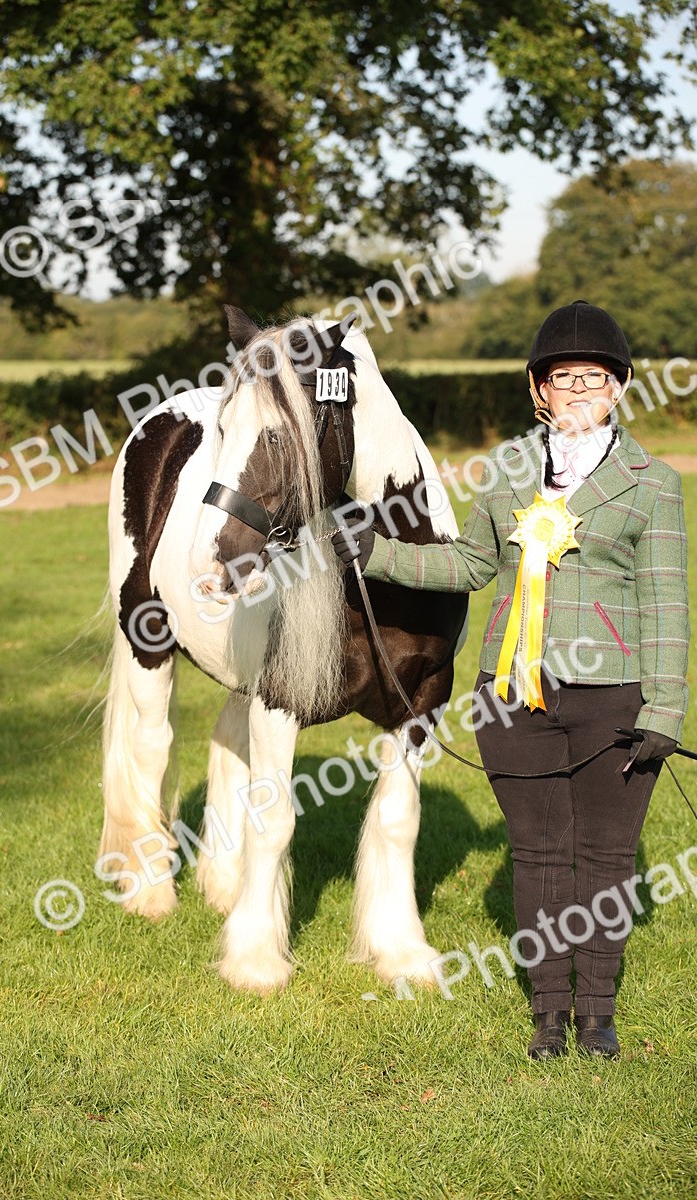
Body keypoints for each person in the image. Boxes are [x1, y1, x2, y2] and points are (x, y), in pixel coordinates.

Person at [332, 300, 690, 1059]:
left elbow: (667, 601)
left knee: (603, 857)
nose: (579, 392)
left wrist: (666, 707)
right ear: (540, 391)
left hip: (612, 698)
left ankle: (596, 1014)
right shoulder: (506, 470)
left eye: (594, 378)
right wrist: (378, 552)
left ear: (620, 387)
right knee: (537, 853)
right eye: (564, 379)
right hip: (513, 697)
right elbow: (471, 565)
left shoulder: (653, 484)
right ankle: (547, 1017)